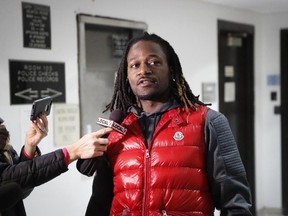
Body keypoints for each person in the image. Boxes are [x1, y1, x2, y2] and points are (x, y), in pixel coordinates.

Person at [78, 32, 252, 215]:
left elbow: (235, 202)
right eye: (134, 65)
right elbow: (99, 202)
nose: (143, 70)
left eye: (154, 62)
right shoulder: (116, 130)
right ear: (126, 76)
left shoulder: (208, 122)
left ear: (171, 70)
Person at [0, 115, 112, 216]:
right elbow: (6, 178)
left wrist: (29, 148)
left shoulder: (7, 151)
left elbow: (20, 189)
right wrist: (73, 151)